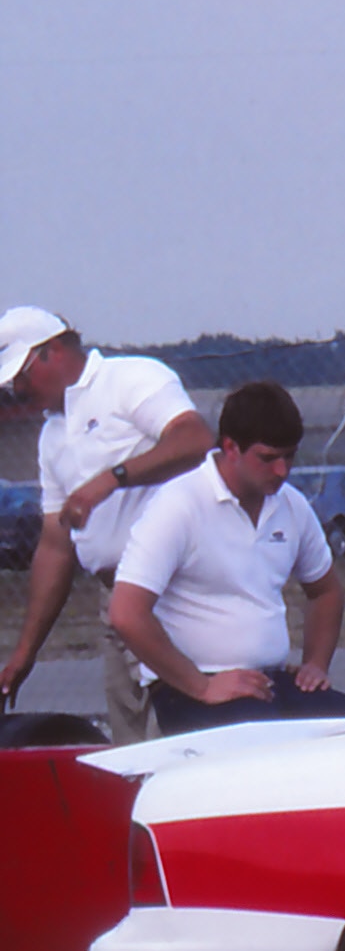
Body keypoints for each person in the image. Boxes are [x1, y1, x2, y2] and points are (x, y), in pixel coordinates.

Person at [104, 381, 345, 737]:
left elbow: (325, 591)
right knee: (275, 748)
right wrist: (202, 686)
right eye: (268, 458)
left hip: (271, 683)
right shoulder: (179, 504)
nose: (282, 470)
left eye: (290, 456)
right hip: (192, 693)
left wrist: (315, 664)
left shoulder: (291, 504)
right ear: (230, 447)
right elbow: (126, 614)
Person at [0, 310, 216, 745]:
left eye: (19, 378)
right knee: (130, 741)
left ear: (52, 352)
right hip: (113, 597)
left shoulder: (130, 379)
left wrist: (110, 479)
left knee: (182, 732)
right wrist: (25, 653)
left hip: (172, 589)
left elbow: (193, 440)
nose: (17, 391)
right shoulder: (52, 435)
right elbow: (56, 547)